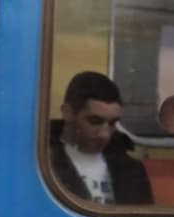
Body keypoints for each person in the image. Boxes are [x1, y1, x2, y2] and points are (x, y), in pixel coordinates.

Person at [48, 72, 153, 206]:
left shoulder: (131, 170)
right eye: (94, 121)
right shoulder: (43, 162)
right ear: (68, 113)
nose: (104, 134)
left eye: (112, 123)